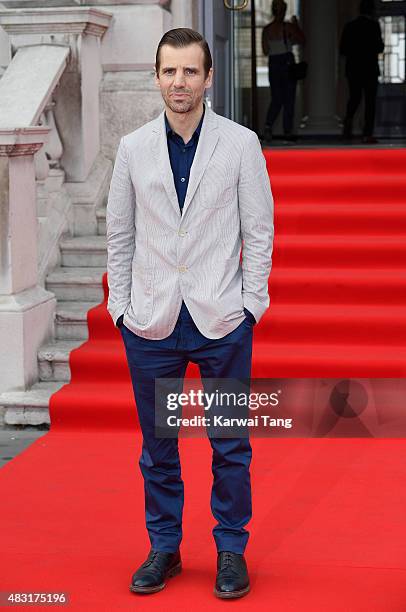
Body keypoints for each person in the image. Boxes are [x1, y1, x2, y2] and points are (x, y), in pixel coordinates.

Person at [106, 28, 274, 599]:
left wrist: (251, 304)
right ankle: (165, 547)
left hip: (221, 321)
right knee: (158, 448)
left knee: (230, 444)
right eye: (169, 71)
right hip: (150, 324)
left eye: (190, 72)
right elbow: (120, 235)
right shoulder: (132, 148)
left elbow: (259, 229)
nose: (179, 82)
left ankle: (231, 549)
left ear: (208, 78)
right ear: (156, 77)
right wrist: (120, 309)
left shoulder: (241, 144)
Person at [339, 0, 384, 144]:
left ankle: (347, 127)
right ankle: (367, 134)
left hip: (354, 69)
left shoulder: (350, 26)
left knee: (354, 99)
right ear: (371, 11)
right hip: (370, 69)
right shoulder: (374, 26)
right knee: (370, 102)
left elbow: (343, 49)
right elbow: (379, 47)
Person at [262, 0, 305, 142]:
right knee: (287, 99)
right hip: (286, 61)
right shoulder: (288, 27)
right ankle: (286, 132)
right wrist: (295, 27)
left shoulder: (267, 29)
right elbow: (302, 40)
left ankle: (269, 127)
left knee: (278, 98)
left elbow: (266, 50)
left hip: (275, 63)